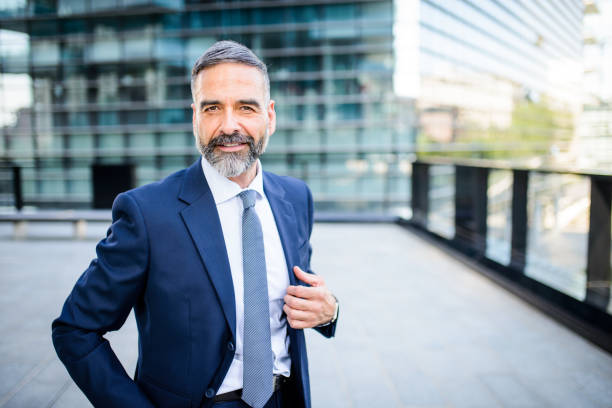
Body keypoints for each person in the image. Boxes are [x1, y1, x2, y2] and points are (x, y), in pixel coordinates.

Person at [52, 40, 339, 408]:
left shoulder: (296, 198)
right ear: (195, 117)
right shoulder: (146, 213)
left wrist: (328, 312)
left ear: (270, 116)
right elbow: (75, 330)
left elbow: (301, 296)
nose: (228, 125)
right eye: (213, 108)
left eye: (246, 107)